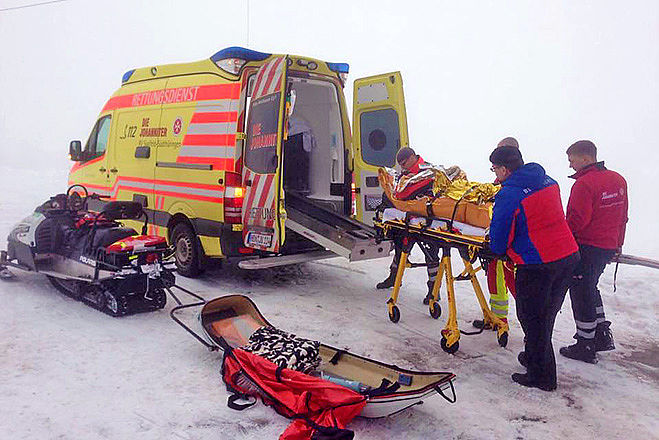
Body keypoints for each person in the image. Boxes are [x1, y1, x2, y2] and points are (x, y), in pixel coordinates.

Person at [489, 145, 579, 391]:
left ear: (505, 169)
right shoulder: (548, 181)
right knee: (546, 314)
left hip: (538, 263)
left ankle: (543, 377)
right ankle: (532, 357)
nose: (494, 175)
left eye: (495, 169)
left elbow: (499, 235)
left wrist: (496, 250)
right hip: (567, 255)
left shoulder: (509, 194)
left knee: (532, 318)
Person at [559, 140, 628, 363]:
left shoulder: (584, 185)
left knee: (580, 290)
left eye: (572, 160)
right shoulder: (618, 180)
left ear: (586, 159)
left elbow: (576, 221)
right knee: (590, 286)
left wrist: (563, 244)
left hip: (586, 246)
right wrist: (618, 243)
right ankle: (601, 335)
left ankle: (585, 344)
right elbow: (622, 215)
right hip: (607, 246)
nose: (570, 166)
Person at [376, 147, 440, 305]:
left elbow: (404, 193)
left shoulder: (428, 171)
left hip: (427, 220)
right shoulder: (405, 174)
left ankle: (434, 290)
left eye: (404, 163)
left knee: (431, 255)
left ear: (413, 157)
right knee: (400, 248)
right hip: (407, 220)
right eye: (401, 165)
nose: (403, 167)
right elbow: (393, 193)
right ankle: (394, 277)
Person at [473, 137, 518, 330]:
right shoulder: (501, 180)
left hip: (511, 245)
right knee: (495, 281)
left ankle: (533, 330)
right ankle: (498, 319)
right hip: (498, 241)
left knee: (516, 285)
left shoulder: (514, 183)